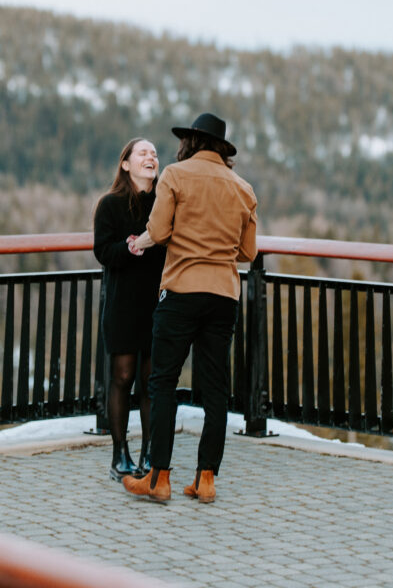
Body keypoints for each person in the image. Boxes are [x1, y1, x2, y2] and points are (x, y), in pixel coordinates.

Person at [122, 112, 257, 504]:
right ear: (222, 149)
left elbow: (160, 231)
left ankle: (159, 477)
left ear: (191, 143)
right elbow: (249, 252)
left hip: (181, 291)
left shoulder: (176, 176)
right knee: (215, 390)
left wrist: (140, 244)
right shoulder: (244, 189)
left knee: (162, 382)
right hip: (223, 297)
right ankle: (206, 479)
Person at [93, 138, 166, 481]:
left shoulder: (166, 204)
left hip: (159, 303)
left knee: (152, 381)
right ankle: (119, 453)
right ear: (126, 164)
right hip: (122, 303)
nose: (151, 157)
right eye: (143, 153)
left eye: (154, 153)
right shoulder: (110, 205)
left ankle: (150, 452)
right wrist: (130, 248)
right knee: (121, 378)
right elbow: (103, 252)